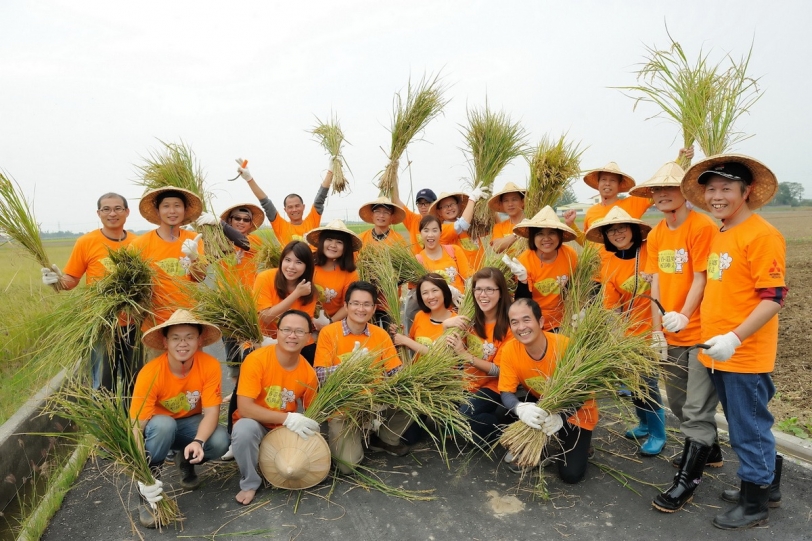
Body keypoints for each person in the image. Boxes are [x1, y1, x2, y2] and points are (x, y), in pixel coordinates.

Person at [666, 155, 786, 529]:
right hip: (713, 349)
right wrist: (686, 316)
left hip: (744, 354)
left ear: (746, 191)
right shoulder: (722, 232)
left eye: (726, 189)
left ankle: (755, 505)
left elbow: (773, 297)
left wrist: (734, 337)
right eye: (711, 189)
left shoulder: (762, 235)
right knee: (741, 425)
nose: (717, 196)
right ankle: (767, 485)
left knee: (748, 429)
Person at [626, 162, 724, 512]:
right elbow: (654, 284)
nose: (662, 194)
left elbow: (701, 277)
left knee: (696, 409)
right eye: (656, 190)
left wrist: (684, 313)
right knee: (679, 403)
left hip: (700, 332)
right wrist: (657, 331)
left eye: (670, 187)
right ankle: (710, 449)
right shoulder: (655, 235)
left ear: (685, 191)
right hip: (669, 333)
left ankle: (687, 480)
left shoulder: (701, 226)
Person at [130, 309, 230, 528]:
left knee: (221, 440)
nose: (182, 344)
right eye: (176, 338)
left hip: (189, 426)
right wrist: (141, 474)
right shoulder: (150, 373)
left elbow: (212, 412)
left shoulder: (209, 365)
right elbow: (137, 427)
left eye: (189, 337)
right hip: (158, 429)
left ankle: (184, 459)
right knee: (164, 424)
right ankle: (148, 489)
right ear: (165, 342)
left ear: (200, 340)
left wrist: (198, 441)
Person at [585, 207, 666, 457]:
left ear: (633, 230)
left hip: (656, 329)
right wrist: (614, 339)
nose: (617, 233)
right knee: (634, 382)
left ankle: (658, 433)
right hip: (629, 335)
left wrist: (657, 331)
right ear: (606, 237)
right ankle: (643, 424)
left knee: (648, 385)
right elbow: (611, 307)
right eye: (611, 230)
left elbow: (662, 283)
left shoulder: (648, 250)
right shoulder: (609, 263)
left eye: (622, 228)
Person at [40, 192, 139, 391]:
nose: (112, 213)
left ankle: (133, 422)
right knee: (103, 383)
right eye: (106, 209)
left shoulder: (137, 243)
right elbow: (71, 280)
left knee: (136, 381)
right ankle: (106, 421)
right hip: (100, 324)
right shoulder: (86, 242)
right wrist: (56, 281)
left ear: (127, 212)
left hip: (134, 324)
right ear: (98, 213)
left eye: (118, 208)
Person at [313, 281, 411, 473]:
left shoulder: (380, 334)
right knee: (347, 466)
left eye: (367, 304)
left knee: (416, 397)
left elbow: (394, 371)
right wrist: (353, 368)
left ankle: (383, 438)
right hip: (344, 407)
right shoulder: (329, 333)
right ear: (346, 305)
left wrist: (408, 380)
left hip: (375, 401)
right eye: (356, 303)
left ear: (374, 308)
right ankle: (358, 431)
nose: (361, 308)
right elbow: (320, 375)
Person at [499, 298, 598, 483]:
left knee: (571, 475)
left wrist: (561, 416)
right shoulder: (510, 350)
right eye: (515, 322)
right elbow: (506, 392)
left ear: (541, 322)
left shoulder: (566, 346)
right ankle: (540, 450)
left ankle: (582, 445)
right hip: (543, 403)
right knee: (504, 409)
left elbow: (582, 392)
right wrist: (520, 409)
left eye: (526, 319)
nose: (521, 327)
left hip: (576, 411)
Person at [231, 310, 320, 505]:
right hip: (257, 424)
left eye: (299, 331)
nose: (292, 335)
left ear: (308, 339)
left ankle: (267, 459)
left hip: (283, 432)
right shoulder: (256, 360)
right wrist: (288, 418)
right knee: (244, 429)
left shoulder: (308, 373)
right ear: (276, 333)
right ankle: (250, 482)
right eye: (286, 330)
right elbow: (245, 408)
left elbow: (312, 412)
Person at [444, 268, 514, 445]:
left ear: (500, 293)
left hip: (493, 386)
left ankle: (502, 427)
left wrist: (465, 355)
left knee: (462, 418)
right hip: (467, 381)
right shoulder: (469, 318)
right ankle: (485, 418)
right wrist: (446, 325)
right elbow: (446, 350)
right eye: (478, 289)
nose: (483, 295)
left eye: (490, 289)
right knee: (443, 421)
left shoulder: (509, 327)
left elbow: (499, 371)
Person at [131, 187, 207, 330]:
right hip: (155, 324)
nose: (172, 211)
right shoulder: (139, 244)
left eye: (177, 206)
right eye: (166, 206)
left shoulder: (194, 239)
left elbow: (200, 277)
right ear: (158, 211)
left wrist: (193, 257)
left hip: (190, 319)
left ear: (184, 210)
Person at [505, 206, 578, 332]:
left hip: (564, 321)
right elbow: (523, 301)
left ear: (560, 236)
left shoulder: (569, 255)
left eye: (552, 233)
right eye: (540, 234)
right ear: (533, 237)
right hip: (535, 322)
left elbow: (573, 286)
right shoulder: (524, 261)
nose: (546, 238)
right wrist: (523, 280)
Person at [235, 157, 332, 244]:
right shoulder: (280, 226)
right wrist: (249, 179)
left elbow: (320, 198)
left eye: (297, 206)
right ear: (285, 210)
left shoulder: (312, 221)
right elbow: (266, 203)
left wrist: (331, 172)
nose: (294, 209)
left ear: (303, 207)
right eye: (290, 207)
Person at [253, 240, 317, 345]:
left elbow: (302, 325)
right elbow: (265, 318)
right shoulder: (265, 278)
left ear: (307, 267)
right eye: (287, 260)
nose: (291, 266)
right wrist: (296, 294)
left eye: (298, 262)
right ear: (281, 261)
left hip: (293, 340)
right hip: (263, 339)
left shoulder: (309, 291)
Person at [306, 219, 362, 330]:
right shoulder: (308, 264)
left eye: (339, 242)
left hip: (334, 325)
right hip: (304, 323)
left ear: (345, 248)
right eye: (329, 239)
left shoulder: (350, 274)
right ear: (322, 242)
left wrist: (329, 323)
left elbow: (348, 304)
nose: (333, 245)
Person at [392, 273, 455, 359]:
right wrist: (398, 335)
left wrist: (406, 341)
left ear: (444, 291)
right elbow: (412, 343)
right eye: (425, 293)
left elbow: (442, 357)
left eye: (435, 290)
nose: (430, 296)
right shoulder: (420, 316)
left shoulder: (455, 321)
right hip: (418, 371)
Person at [415, 214, 470, 297]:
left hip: (461, 305)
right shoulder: (418, 260)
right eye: (426, 230)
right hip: (434, 308)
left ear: (440, 232)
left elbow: (468, 277)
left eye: (434, 230)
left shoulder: (454, 250)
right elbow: (417, 291)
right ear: (420, 233)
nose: (430, 235)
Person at [429, 189, 486, 267]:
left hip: (482, 272)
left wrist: (487, 202)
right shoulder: (441, 229)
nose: (449, 208)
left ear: (459, 206)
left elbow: (490, 227)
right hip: (462, 276)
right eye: (445, 206)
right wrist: (472, 199)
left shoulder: (472, 224)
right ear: (439, 212)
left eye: (452, 204)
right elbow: (462, 225)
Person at [391, 186, 437, 254]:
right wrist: (393, 178)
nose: (423, 206)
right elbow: (396, 200)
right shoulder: (412, 220)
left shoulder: (441, 223)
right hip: (416, 263)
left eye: (426, 203)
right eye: (420, 203)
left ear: (434, 203)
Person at [488, 182, 526, 254]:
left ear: (522, 202)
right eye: (506, 200)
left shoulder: (534, 223)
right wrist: (518, 233)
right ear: (502, 204)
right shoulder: (499, 227)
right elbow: (496, 247)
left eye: (514, 199)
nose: (510, 204)